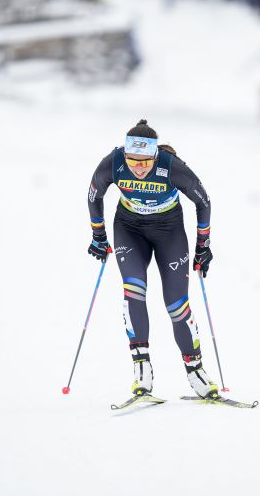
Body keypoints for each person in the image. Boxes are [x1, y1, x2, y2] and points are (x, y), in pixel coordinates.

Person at [87, 119, 218, 398]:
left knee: (176, 304)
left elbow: (203, 201)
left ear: (155, 155)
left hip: (169, 231)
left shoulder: (170, 165)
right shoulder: (114, 162)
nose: (138, 167)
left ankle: (195, 370)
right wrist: (98, 235)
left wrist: (202, 246)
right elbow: (94, 194)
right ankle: (141, 370)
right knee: (133, 292)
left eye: (145, 162)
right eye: (133, 160)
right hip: (129, 229)